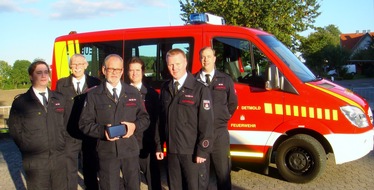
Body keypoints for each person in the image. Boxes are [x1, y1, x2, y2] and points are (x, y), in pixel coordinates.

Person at [79, 54, 150, 190]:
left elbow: (145, 118)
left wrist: (134, 126)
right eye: (111, 69)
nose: (114, 73)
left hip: (130, 150)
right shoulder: (93, 95)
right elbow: (84, 123)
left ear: (122, 71)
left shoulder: (133, 92)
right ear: (104, 70)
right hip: (107, 152)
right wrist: (102, 131)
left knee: (133, 187)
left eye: (118, 70)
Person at [155, 48, 214, 190]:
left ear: (185, 62)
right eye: (170, 65)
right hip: (172, 151)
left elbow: (207, 123)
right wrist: (158, 145)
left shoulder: (199, 89)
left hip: (192, 152)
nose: (174, 68)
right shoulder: (165, 88)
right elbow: (160, 120)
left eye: (178, 64)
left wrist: (202, 150)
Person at [8, 60, 67, 190]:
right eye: (39, 73)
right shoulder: (21, 102)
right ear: (31, 76)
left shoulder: (59, 99)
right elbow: (14, 129)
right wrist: (27, 145)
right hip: (35, 161)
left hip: (58, 158)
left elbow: (66, 124)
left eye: (46, 72)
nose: (43, 76)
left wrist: (62, 143)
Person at [195, 47, 238, 190]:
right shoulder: (193, 81)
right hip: (199, 136)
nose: (205, 59)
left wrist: (223, 118)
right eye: (202, 57)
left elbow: (233, 103)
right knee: (201, 175)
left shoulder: (225, 79)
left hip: (219, 134)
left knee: (223, 173)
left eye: (208, 56)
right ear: (199, 59)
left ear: (214, 58)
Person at [56, 54, 101, 190]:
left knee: (91, 169)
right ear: (70, 67)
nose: (77, 67)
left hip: (89, 133)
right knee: (69, 171)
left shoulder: (96, 83)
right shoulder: (61, 84)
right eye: (74, 64)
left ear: (86, 65)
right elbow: (57, 110)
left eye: (80, 64)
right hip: (69, 134)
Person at [126, 57, 162, 190]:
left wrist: (158, 145)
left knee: (154, 181)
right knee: (131, 183)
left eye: (137, 70)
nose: (134, 73)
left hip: (147, 145)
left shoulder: (151, 94)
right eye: (131, 70)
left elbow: (157, 122)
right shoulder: (122, 92)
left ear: (143, 72)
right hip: (128, 145)